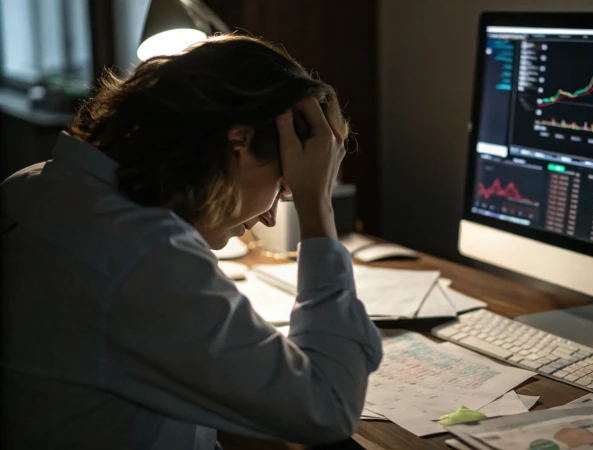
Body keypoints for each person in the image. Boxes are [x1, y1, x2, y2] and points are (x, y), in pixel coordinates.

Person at [0, 35, 382, 449]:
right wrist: (315, 203)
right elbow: (329, 407)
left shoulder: (32, 186)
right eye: (283, 184)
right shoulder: (144, 258)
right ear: (238, 143)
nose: (271, 215)